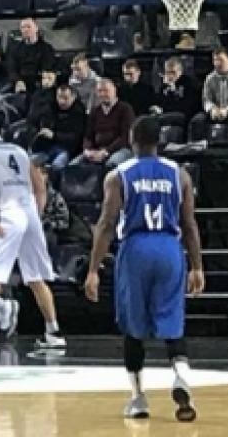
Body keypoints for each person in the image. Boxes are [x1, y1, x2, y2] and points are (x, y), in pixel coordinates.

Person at [84, 116, 205, 422]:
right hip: (169, 248)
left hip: (136, 249)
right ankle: (181, 376)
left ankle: (138, 398)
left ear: (132, 139)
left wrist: (93, 269)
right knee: (172, 320)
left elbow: (106, 224)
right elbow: (190, 224)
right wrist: (197, 266)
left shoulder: (118, 175)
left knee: (133, 327)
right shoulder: (179, 174)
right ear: (159, 141)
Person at [0, 113, 66, 348]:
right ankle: (53, 332)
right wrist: (36, 214)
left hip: (7, 212)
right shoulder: (20, 151)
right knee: (36, 277)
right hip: (29, 212)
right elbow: (40, 187)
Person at [189, 47, 228, 142]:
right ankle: (197, 147)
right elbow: (206, 100)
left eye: (221, 60)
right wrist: (212, 109)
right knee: (197, 120)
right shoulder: (210, 78)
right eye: (215, 60)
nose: (217, 63)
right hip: (215, 112)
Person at [72, 79, 136, 170]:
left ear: (114, 91)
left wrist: (106, 152)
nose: (102, 94)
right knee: (73, 166)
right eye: (99, 91)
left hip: (121, 149)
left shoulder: (126, 109)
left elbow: (125, 137)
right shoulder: (95, 111)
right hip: (97, 150)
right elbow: (88, 135)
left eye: (106, 91)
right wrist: (87, 150)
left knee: (111, 165)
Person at [31, 84, 86, 173]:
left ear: (73, 97)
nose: (62, 101)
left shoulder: (79, 112)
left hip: (67, 150)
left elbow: (75, 138)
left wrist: (54, 135)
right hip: (47, 147)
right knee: (30, 163)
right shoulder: (51, 107)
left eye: (66, 98)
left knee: (57, 166)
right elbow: (41, 124)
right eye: (59, 97)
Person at [6, 18, 57, 94]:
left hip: (39, 83)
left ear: (36, 28)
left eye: (28, 27)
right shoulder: (15, 49)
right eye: (23, 27)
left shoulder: (46, 48)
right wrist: (18, 81)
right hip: (20, 82)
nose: (25, 30)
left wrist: (45, 80)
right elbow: (11, 68)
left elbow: (48, 68)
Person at [151, 56, 200, 123]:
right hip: (166, 115)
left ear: (180, 71)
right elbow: (160, 103)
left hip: (184, 116)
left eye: (173, 72)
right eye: (167, 72)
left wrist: (173, 92)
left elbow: (186, 107)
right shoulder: (164, 85)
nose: (170, 76)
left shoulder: (189, 84)